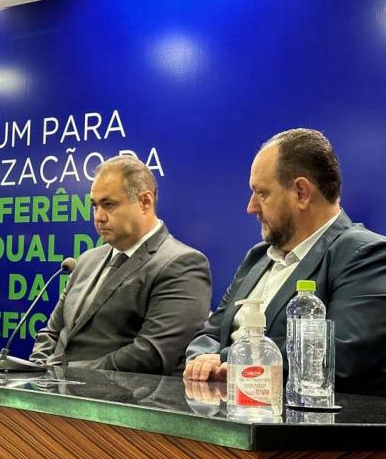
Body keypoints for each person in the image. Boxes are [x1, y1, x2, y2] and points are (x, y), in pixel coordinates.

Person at [183, 128, 386, 396]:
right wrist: (200, 360)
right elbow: (209, 334)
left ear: (301, 192)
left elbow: (341, 355)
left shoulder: (365, 253)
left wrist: (228, 359)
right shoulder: (257, 256)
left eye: (262, 193)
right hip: (227, 413)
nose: (251, 207)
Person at [30, 156, 211, 374]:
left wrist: (64, 374)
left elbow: (151, 354)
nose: (99, 217)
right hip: (52, 393)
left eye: (109, 205)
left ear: (145, 202)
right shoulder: (87, 260)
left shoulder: (182, 264)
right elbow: (52, 332)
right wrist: (35, 373)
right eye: (95, 205)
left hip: (122, 399)